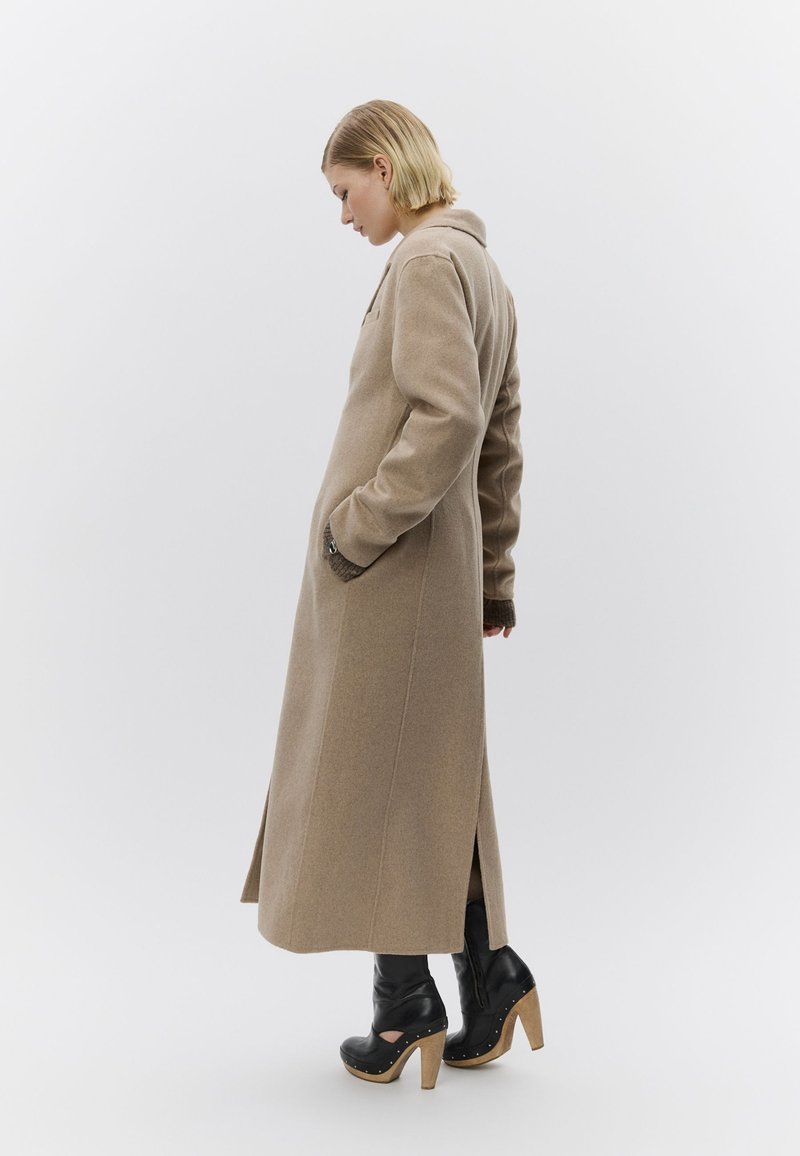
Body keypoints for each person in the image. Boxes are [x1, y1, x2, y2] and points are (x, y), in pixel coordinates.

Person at [240, 99, 543, 1088]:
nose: (343, 216)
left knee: (375, 783)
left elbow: (449, 422)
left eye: (344, 191)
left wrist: (353, 530)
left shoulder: (422, 261)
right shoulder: (483, 270)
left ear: (383, 165)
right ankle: (487, 979)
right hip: (435, 574)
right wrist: (492, 578)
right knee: (426, 780)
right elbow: (501, 444)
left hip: (391, 569)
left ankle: (406, 1003)